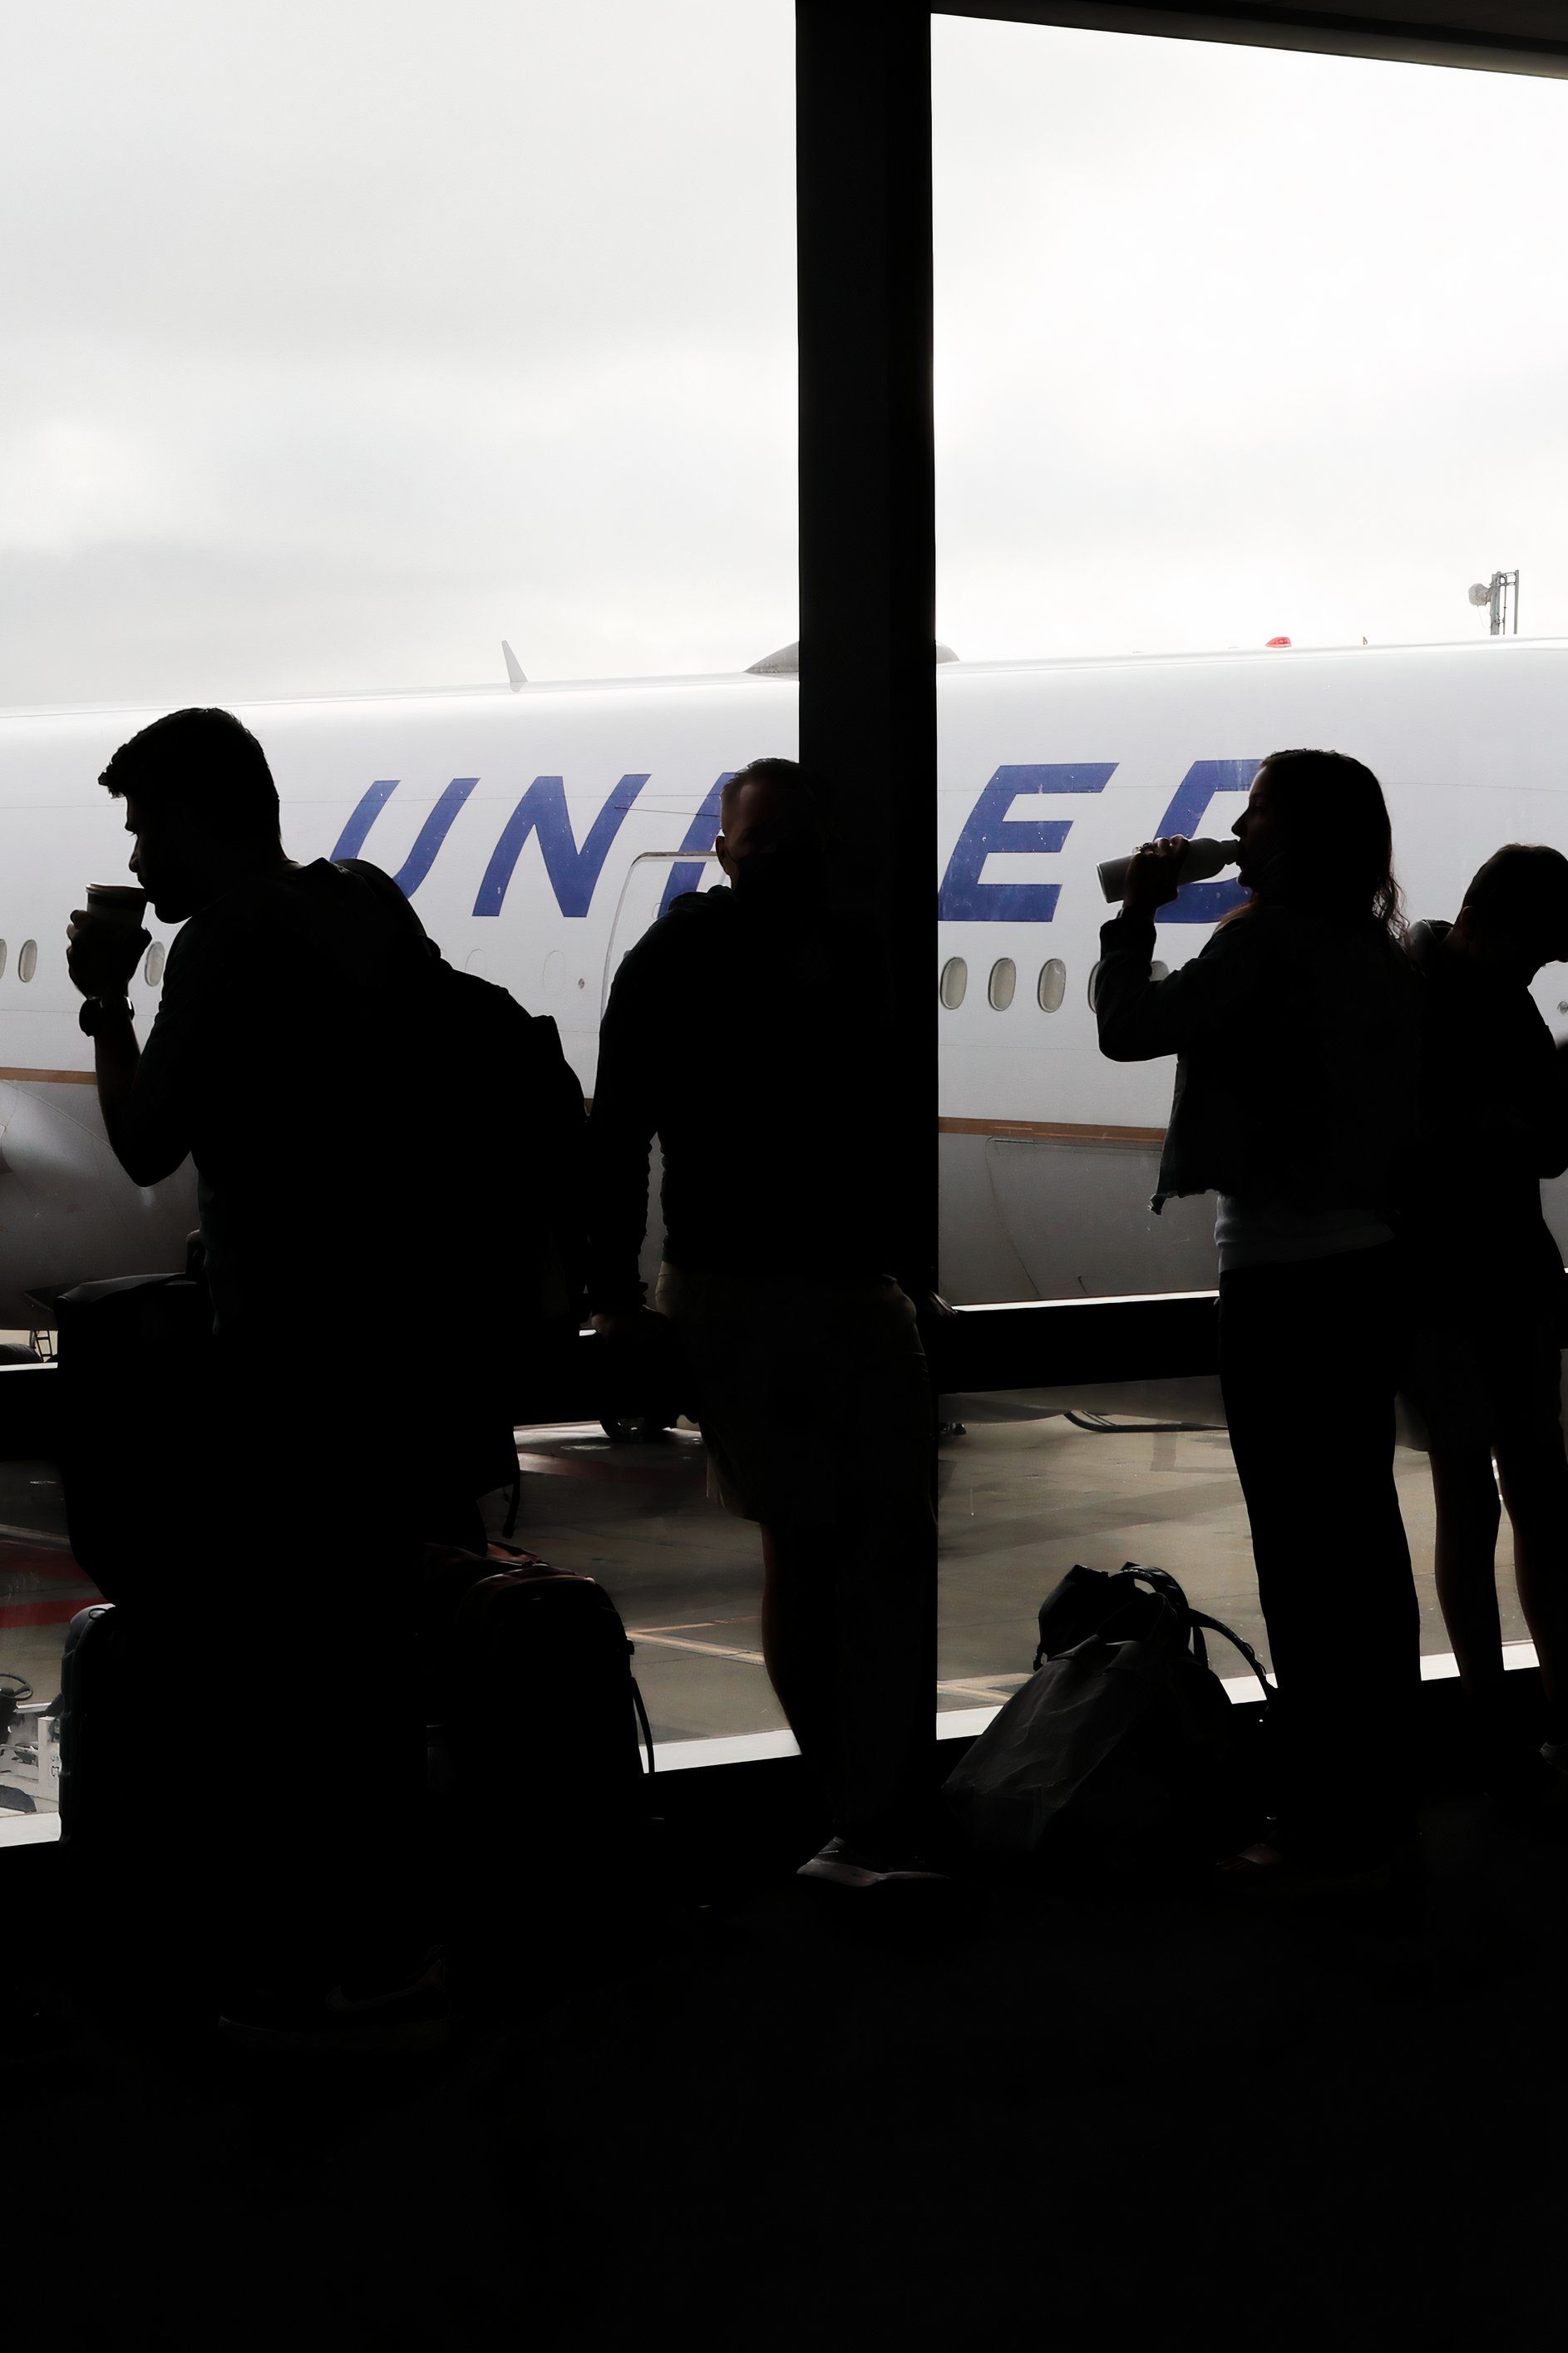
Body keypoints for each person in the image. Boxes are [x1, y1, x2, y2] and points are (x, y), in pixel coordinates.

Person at [59, 707, 503, 2045]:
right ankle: (400, 1942)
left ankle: (316, 1966)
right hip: (408, 1346)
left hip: (294, 1364)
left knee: (290, 1676)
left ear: (203, 817)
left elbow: (143, 1141)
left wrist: (102, 998)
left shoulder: (222, 942)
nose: (138, 857)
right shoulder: (366, 902)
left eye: (146, 826)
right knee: (378, 1665)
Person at [579, 758, 944, 1897]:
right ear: (725, 851)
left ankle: (865, 1805)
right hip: (743, 1285)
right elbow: (620, 1132)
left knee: (866, 1541)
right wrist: (617, 1293)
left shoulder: (845, 951)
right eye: (760, 837)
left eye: (792, 835)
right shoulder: (682, 957)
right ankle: (854, 1808)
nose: (775, 856)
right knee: (816, 1539)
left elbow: (868, 1122)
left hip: (839, 1282)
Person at [1098, 747, 1429, 1892]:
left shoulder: (1264, 940)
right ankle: (1383, 1790)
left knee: (1297, 1552)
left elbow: (1129, 1026)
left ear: (1289, 839)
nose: (1237, 830)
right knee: (1365, 1541)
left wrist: (1134, 913)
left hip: (1283, 1284)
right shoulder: (1381, 952)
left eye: (1254, 817)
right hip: (1372, 1273)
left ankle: (1314, 1808)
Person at [1398, 845, 1568, 1828]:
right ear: (1492, 926)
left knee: (1520, 1496)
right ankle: (1507, 1720)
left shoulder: (1477, 990)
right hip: (1449, 1290)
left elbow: (1539, 1149)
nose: (1541, 975)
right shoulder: (1417, 994)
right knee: (1483, 1497)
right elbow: (1409, 1140)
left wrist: (1544, 1109)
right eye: (1540, 954)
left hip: (1493, 1285)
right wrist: (1494, 1124)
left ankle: (1542, 1711)